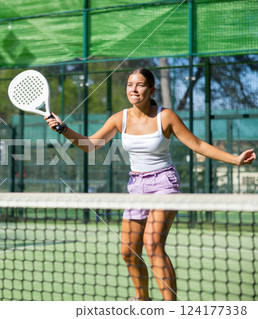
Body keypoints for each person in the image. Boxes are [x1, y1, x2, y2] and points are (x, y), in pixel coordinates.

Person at [45, 68, 255, 301]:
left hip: (164, 183)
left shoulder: (166, 116)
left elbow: (197, 144)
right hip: (136, 185)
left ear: (151, 90)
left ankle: (171, 308)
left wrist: (235, 159)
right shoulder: (119, 119)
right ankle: (142, 301)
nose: (133, 89)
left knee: (153, 244)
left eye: (140, 84)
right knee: (128, 251)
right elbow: (90, 145)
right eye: (129, 84)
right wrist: (63, 129)